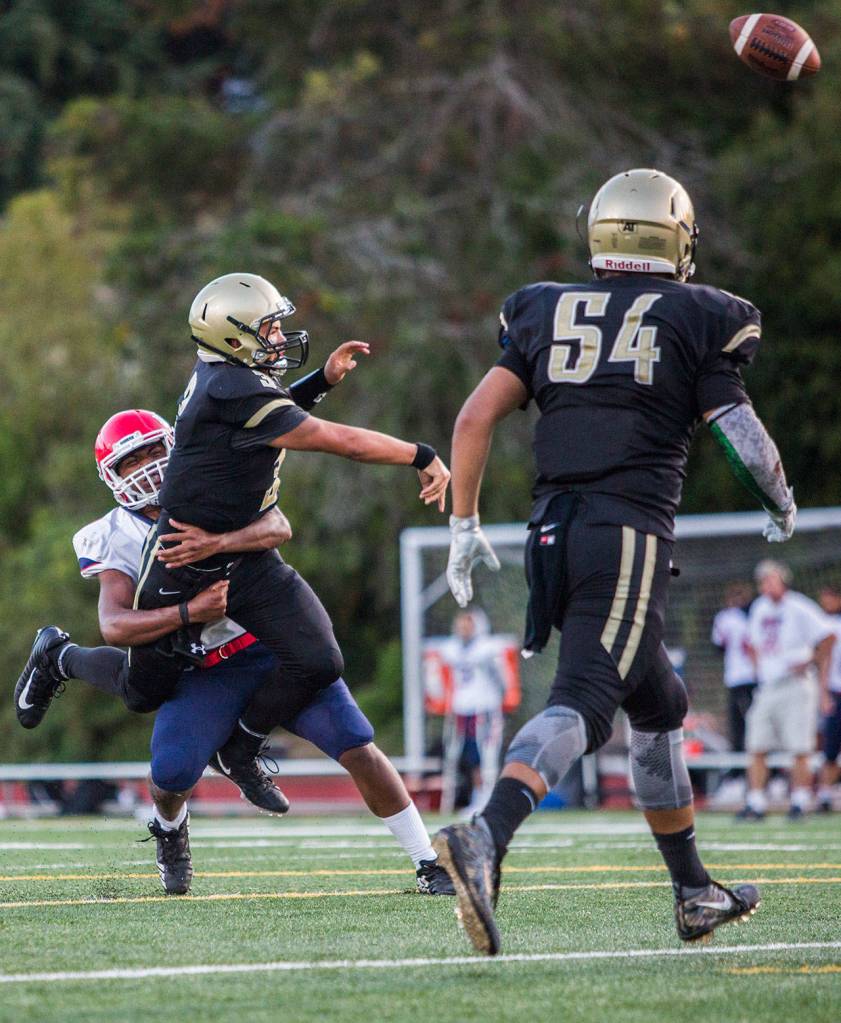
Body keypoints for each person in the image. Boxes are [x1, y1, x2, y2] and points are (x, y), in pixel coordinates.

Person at [431, 168, 796, 955]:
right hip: (626, 532)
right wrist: (778, 498)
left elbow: (472, 416)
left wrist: (462, 523)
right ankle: (486, 833)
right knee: (587, 703)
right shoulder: (701, 314)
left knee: (657, 704)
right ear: (676, 239)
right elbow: (738, 432)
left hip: (552, 536)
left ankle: (694, 890)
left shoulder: (542, 307)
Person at [15, 374, 453, 899]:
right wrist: (189, 610)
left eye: (153, 451)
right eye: (130, 462)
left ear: (173, 447)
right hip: (202, 667)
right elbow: (115, 625)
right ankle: (171, 833)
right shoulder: (111, 534)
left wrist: (218, 541)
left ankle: (427, 862)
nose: (146, 467)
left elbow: (277, 525)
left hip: (266, 647)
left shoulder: (210, 486)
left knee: (356, 741)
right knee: (170, 771)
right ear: (111, 477)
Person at [15, 271, 450, 799]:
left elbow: (270, 455)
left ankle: (241, 747)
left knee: (320, 661)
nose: (277, 336)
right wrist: (421, 455)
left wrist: (321, 382)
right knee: (140, 692)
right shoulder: (227, 392)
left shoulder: (225, 380)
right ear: (233, 336)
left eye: (156, 452)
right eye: (267, 327)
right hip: (182, 578)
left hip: (235, 567)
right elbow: (335, 440)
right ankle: (59, 656)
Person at [738, 560, 834, 821]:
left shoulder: (799, 606)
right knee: (756, 743)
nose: (765, 586)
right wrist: (759, 671)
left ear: (782, 580)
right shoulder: (759, 608)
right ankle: (756, 801)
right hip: (768, 686)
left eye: (770, 580)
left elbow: (828, 636)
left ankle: (800, 801)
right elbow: (753, 643)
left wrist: (811, 660)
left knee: (799, 746)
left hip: (796, 684)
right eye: (762, 581)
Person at [438, 609, 507, 815]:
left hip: (484, 708)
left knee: (487, 756)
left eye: (468, 625)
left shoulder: (488, 649)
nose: (463, 629)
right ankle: (471, 798)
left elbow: (501, 680)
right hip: (463, 709)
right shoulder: (452, 648)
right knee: (468, 757)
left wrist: (496, 700)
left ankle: (487, 800)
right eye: (461, 625)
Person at [710, 581, 756, 799]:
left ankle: (744, 777)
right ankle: (741, 776)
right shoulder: (753, 614)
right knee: (743, 730)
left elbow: (718, 645)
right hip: (745, 679)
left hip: (745, 678)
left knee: (749, 730)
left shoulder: (728, 617)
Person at [816, 583, 841, 812]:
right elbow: (825, 661)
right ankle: (824, 793)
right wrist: (823, 693)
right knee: (831, 748)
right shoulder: (827, 625)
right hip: (836, 692)